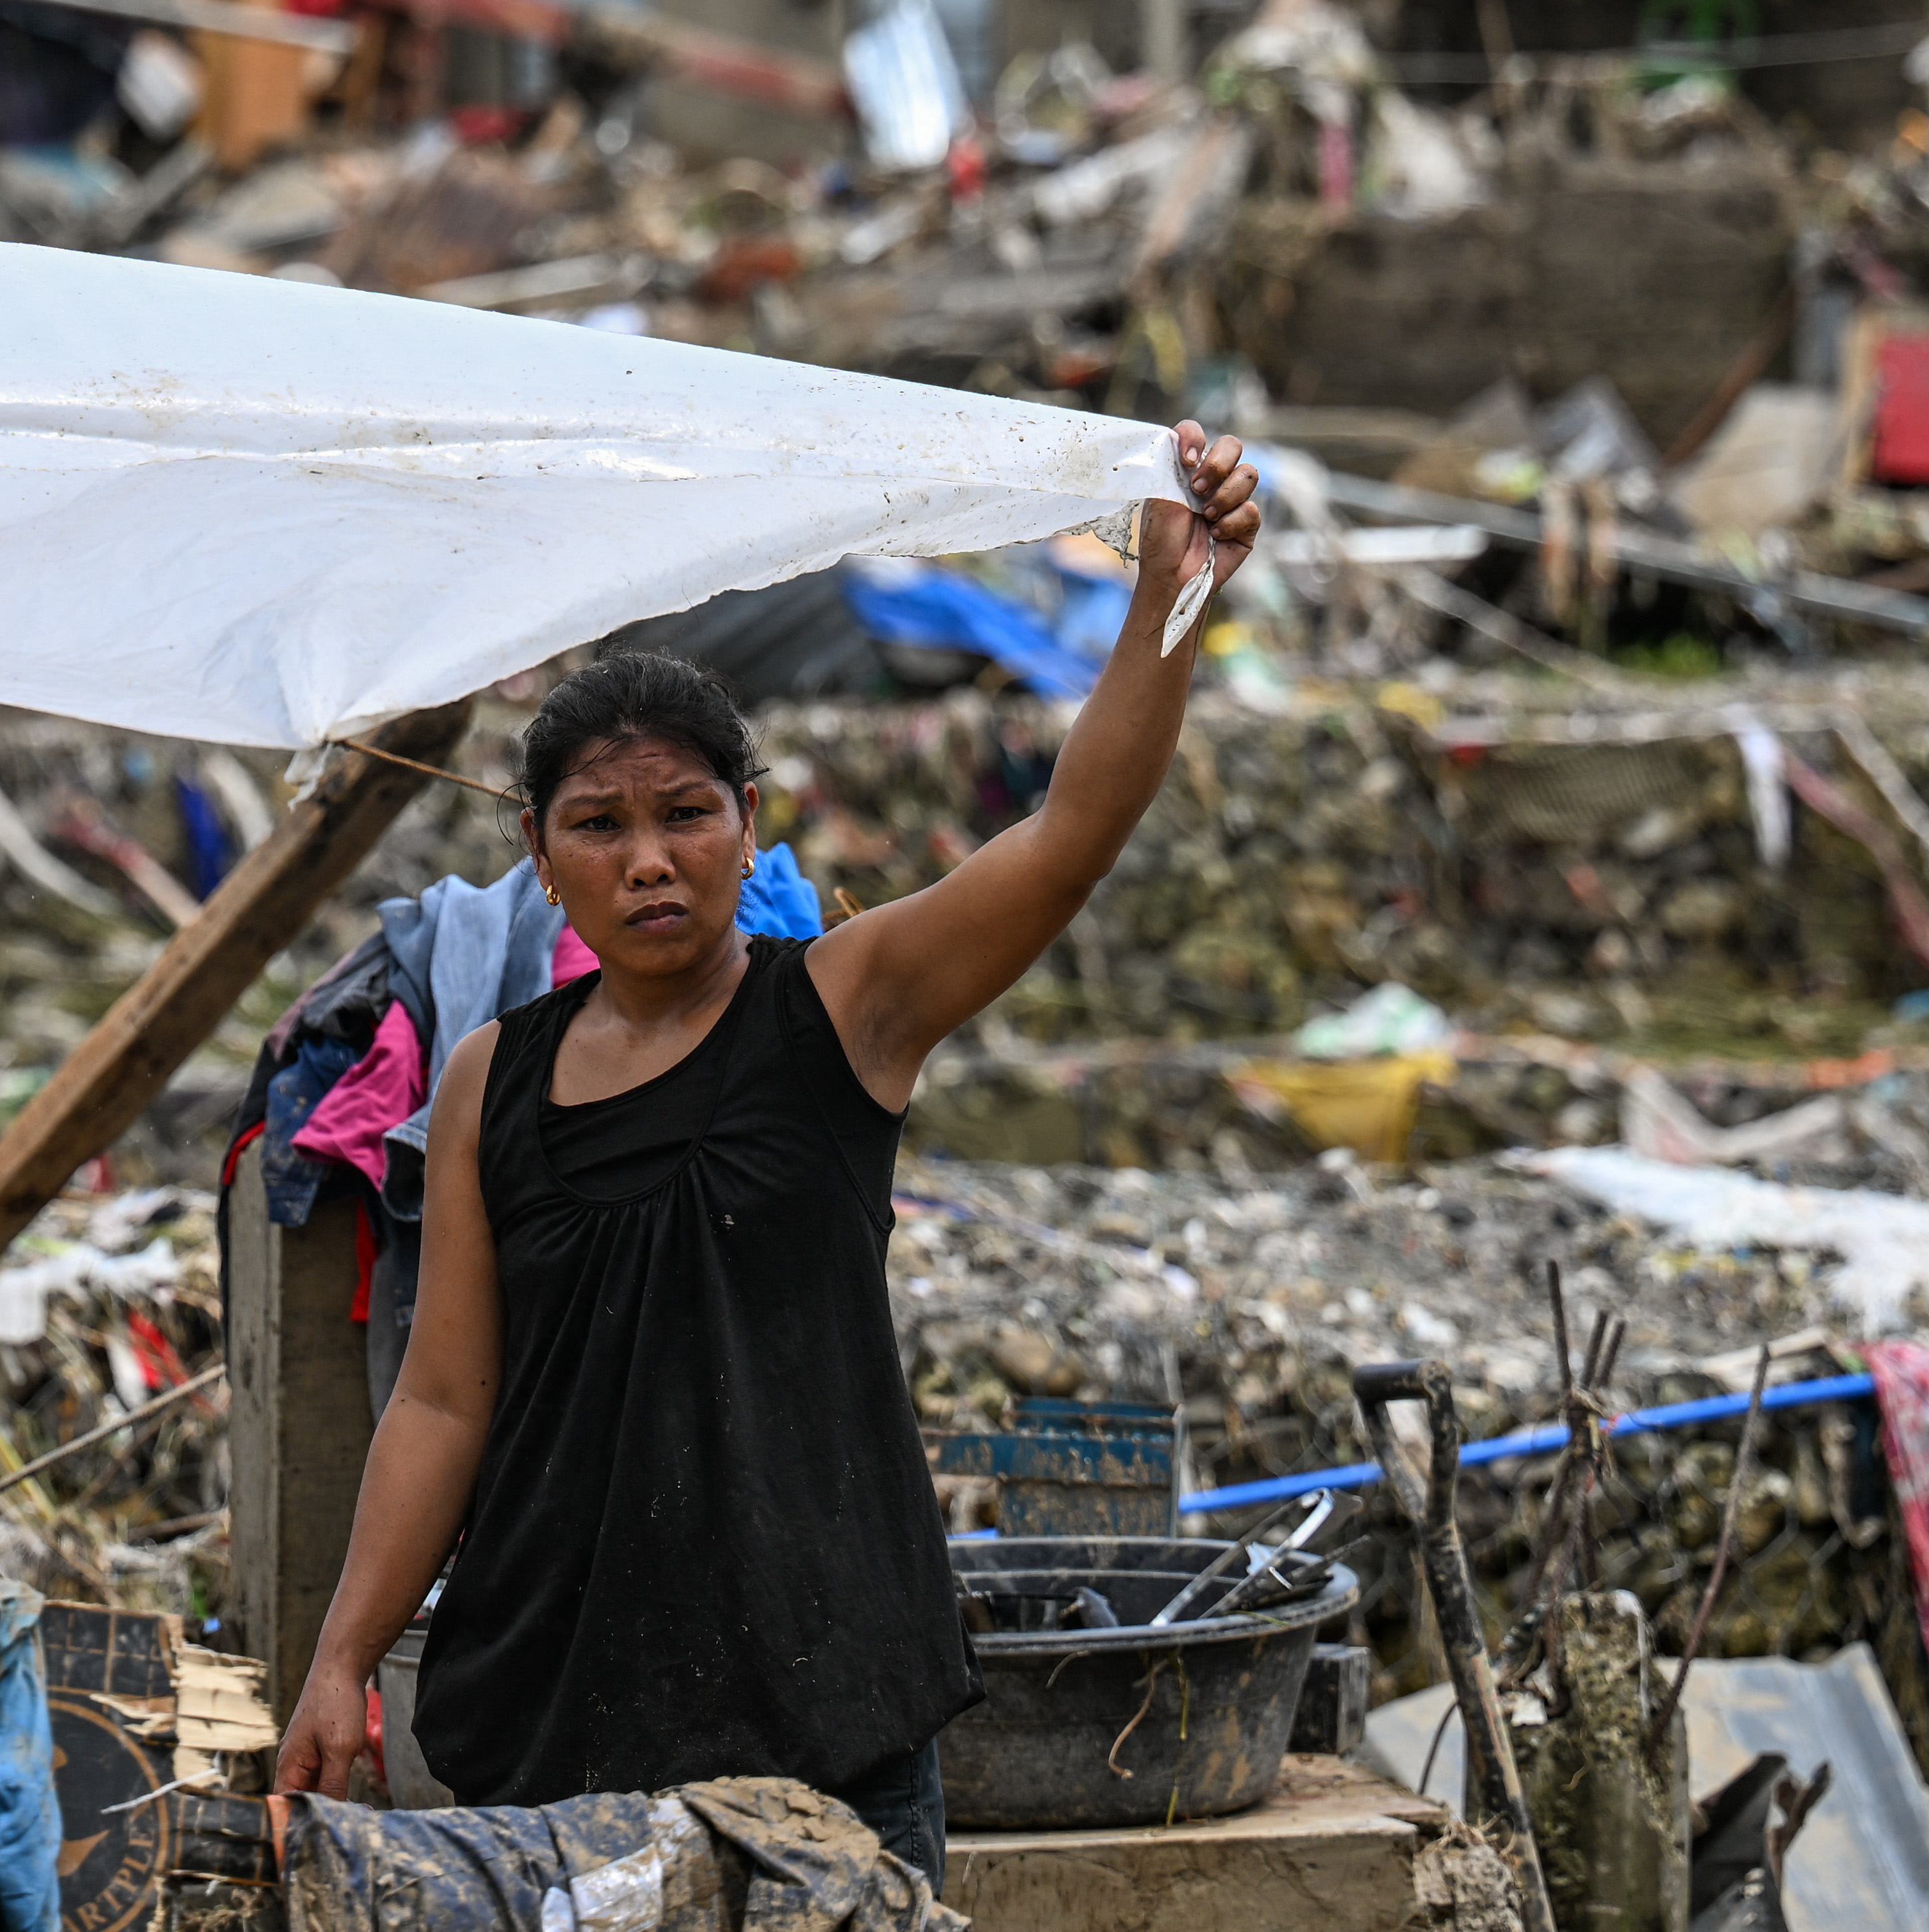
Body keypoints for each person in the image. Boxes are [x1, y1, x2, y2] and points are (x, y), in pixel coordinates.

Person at [269, 424, 1266, 1890]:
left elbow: (1067, 834)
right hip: (558, 1714)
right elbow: (439, 1394)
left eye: (685, 813)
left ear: (750, 828)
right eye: (597, 826)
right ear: (543, 864)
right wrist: (338, 1659)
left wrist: (1165, 597)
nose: (647, 858)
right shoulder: (493, 1078)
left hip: (822, 1700)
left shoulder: (846, 1013)